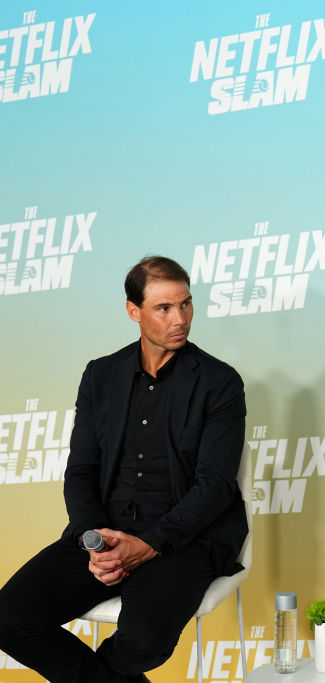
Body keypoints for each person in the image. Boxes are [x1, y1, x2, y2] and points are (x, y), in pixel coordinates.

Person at [0, 256, 247, 682]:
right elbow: (80, 471)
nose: (180, 319)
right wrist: (93, 539)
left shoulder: (219, 381)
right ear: (134, 311)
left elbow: (215, 485)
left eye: (186, 303)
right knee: (8, 619)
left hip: (185, 537)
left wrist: (149, 545)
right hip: (106, 530)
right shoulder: (100, 376)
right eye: (164, 308)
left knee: (143, 644)